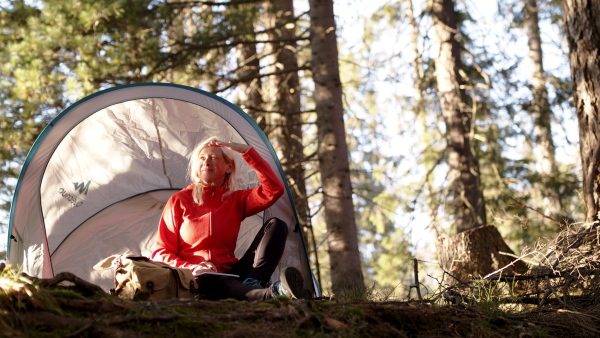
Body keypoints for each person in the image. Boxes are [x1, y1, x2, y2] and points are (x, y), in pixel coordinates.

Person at [151, 137, 309, 301]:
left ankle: (255, 282)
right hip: (195, 277)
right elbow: (161, 252)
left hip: (233, 272)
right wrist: (191, 268)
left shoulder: (236, 200)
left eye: (213, 158)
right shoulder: (179, 200)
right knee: (221, 283)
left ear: (229, 166)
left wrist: (248, 153)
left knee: (276, 225)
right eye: (202, 158)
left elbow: (274, 189)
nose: (207, 162)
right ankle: (272, 294)